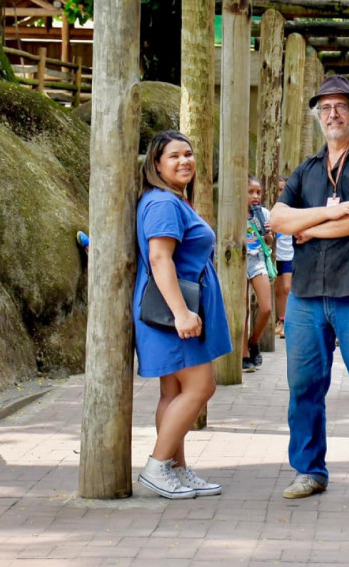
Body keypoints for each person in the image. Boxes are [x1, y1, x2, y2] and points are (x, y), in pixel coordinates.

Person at [269, 76, 349, 507]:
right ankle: (309, 471)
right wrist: (337, 210)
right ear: (317, 117)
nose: (332, 114)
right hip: (307, 294)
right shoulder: (307, 168)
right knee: (303, 387)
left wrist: (311, 226)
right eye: (324, 108)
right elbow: (277, 219)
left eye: (340, 106)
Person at [133, 130, 232, 499]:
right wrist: (181, 314)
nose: (184, 161)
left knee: (172, 391)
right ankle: (157, 467)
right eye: (174, 156)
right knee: (201, 386)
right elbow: (160, 258)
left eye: (188, 154)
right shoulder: (163, 204)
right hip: (173, 312)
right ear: (156, 164)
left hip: (172, 310)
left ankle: (176, 469)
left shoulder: (171, 200)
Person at [243, 176, 274, 373]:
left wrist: (267, 232)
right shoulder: (234, 212)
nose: (255, 196)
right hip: (238, 260)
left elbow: (270, 241)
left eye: (258, 192)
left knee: (266, 308)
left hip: (257, 260)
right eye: (251, 192)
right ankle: (243, 353)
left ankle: (253, 342)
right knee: (243, 310)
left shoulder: (263, 213)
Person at [271, 176, 294, 340]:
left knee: (287, 287)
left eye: (283, 189)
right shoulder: (266, 211)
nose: (280, 193)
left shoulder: (292, 208)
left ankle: (288, 322)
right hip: (272, 255)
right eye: (277, 189)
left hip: (289, 254)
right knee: (278, 290)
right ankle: (281, 320)